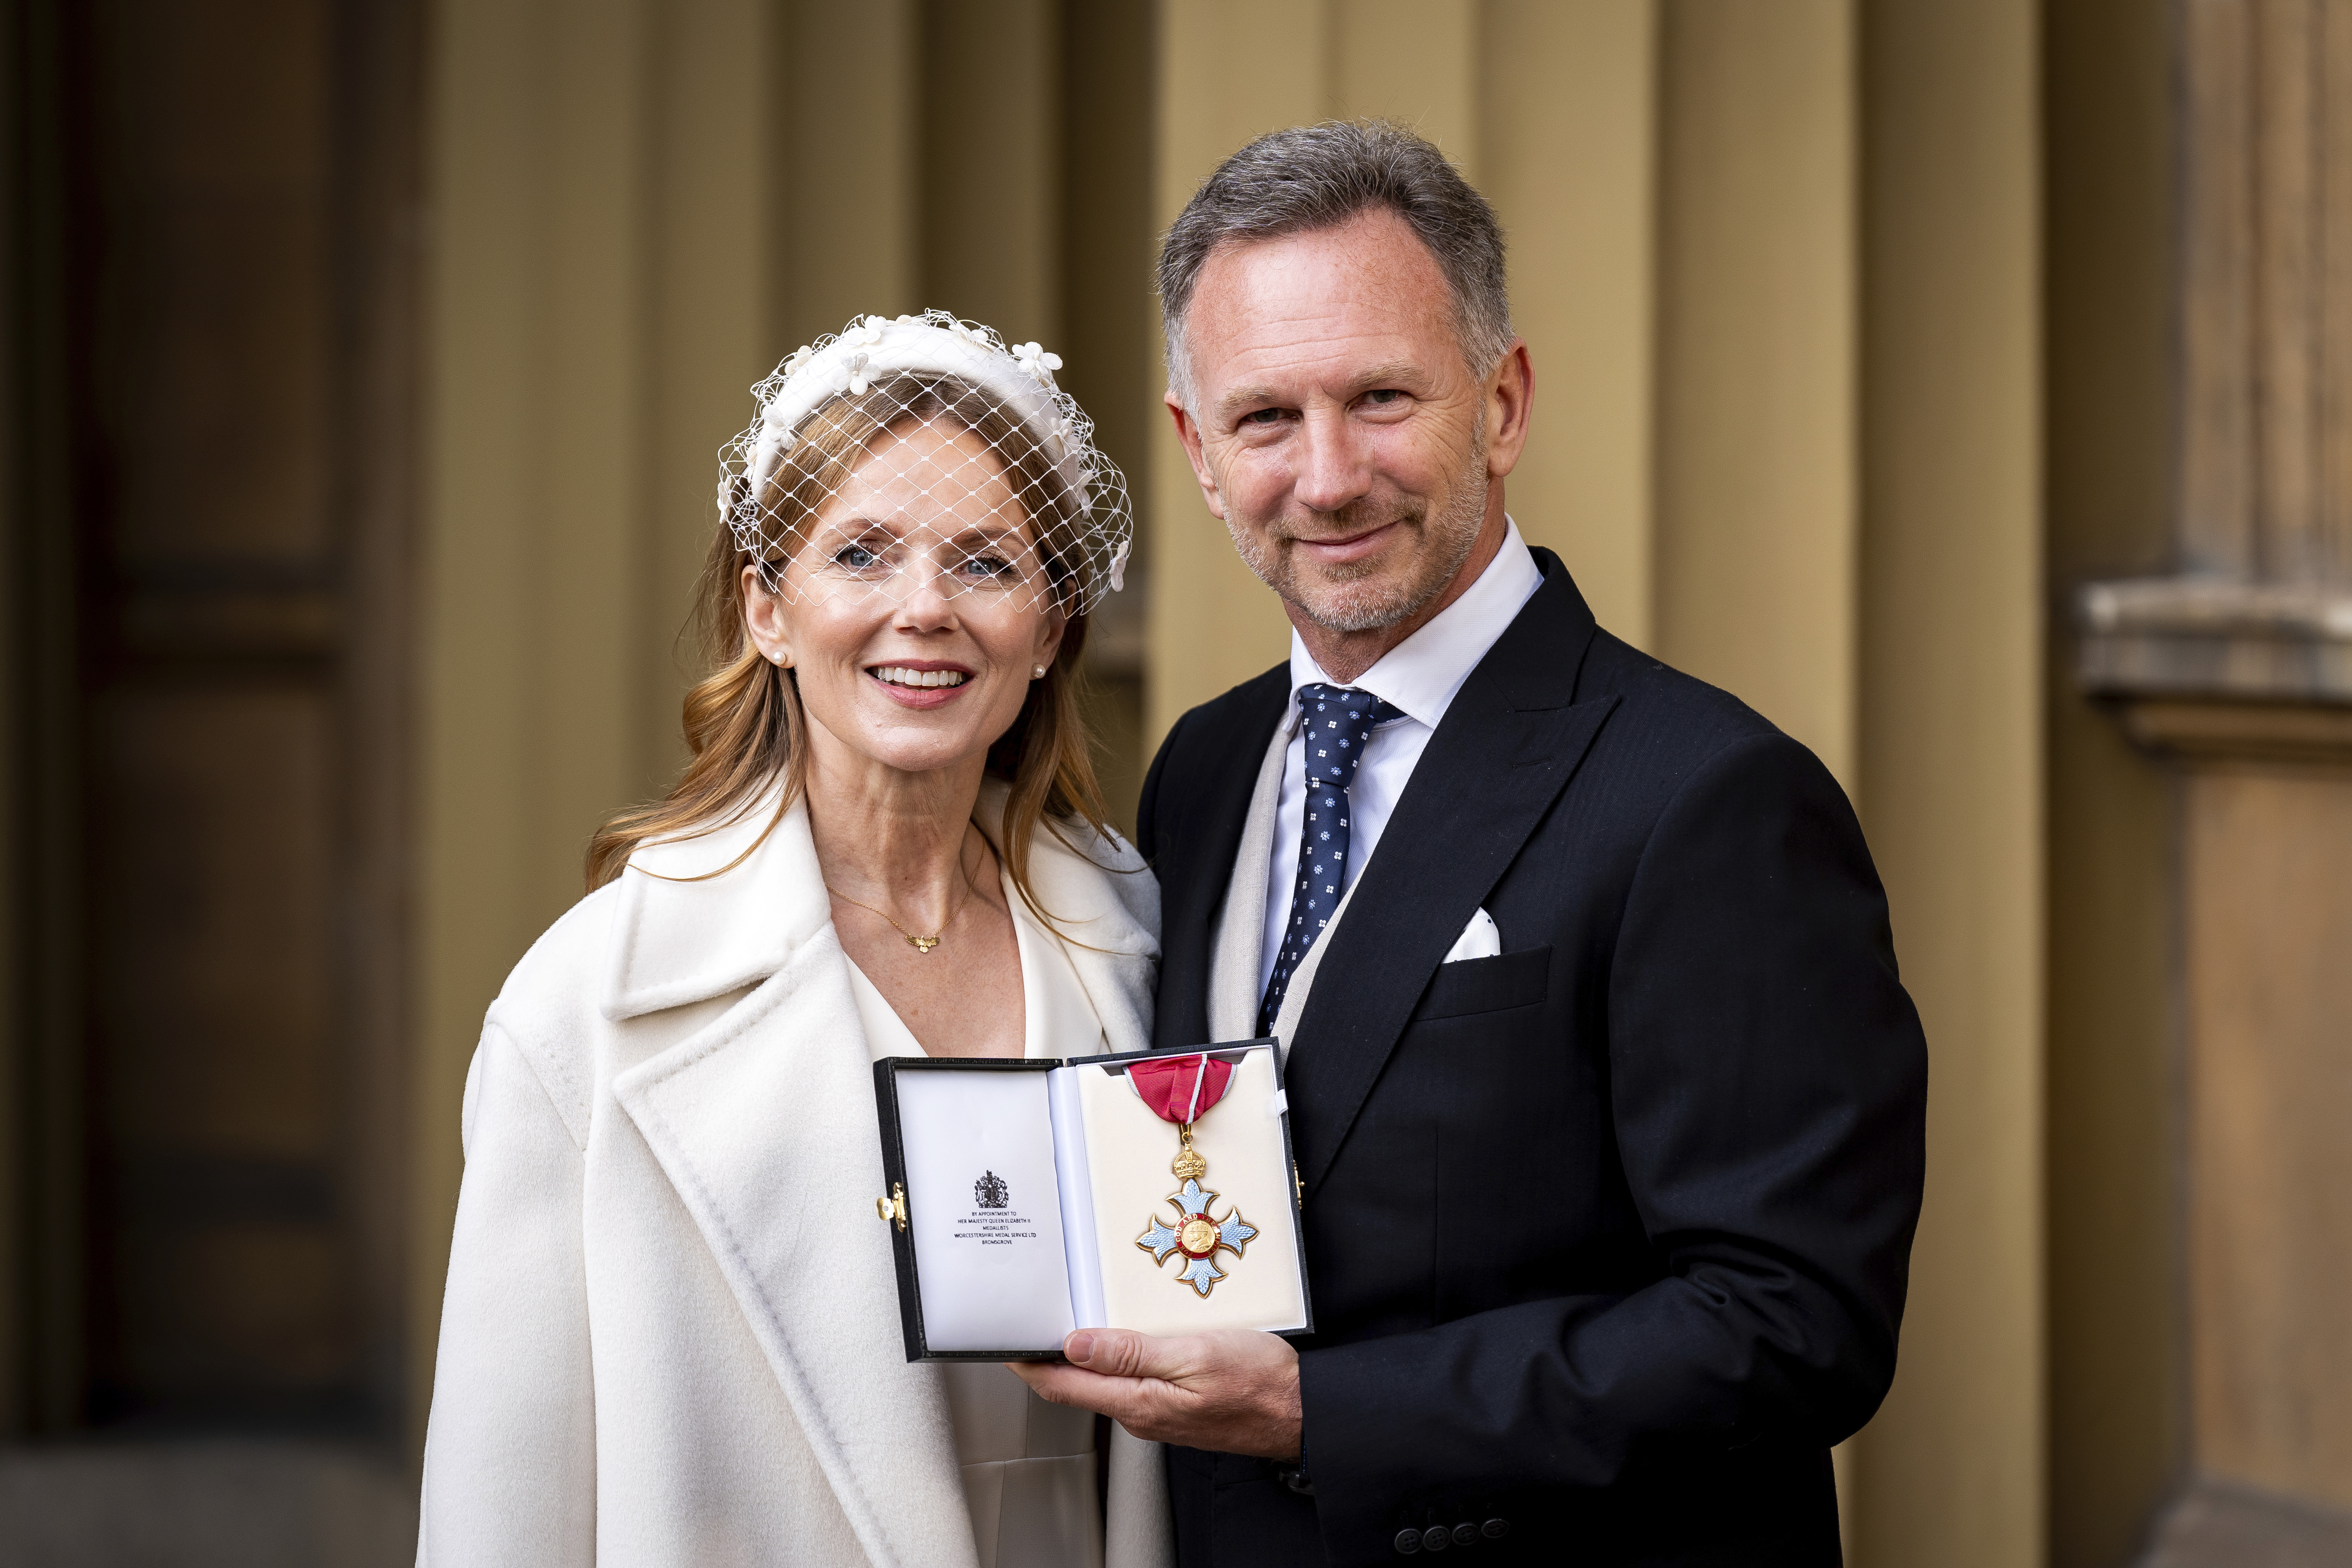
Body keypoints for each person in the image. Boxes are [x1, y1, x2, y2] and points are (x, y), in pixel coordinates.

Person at [1014, 121, 1929, 1565]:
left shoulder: (1711, 796)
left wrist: (1329, 1410)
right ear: (1196, 451)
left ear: (1500, 404)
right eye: (1264, 418)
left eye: (1380, 398)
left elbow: (1792, 1323)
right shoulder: (1203, 765)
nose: (1325, 478)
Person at [416, 311, 1173, 1568]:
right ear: (768, 609)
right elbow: (504, 1511)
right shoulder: (586, 1007)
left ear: (1048, 630)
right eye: (862, 553)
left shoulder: (1138, 940)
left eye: (985, 563)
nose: (923, 609)